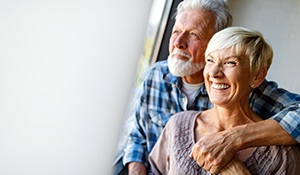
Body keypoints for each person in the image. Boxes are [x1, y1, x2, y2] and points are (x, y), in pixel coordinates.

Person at [114, 0, 300, 174]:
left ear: (217, 40)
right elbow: (137, 137)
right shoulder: (155, 77)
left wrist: (232, 139)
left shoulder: (252, 91)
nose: (178, 43)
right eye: (176, 32)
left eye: (194, 34)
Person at [148, 26, 300, 175]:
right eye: (210, 60)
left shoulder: (283, 156)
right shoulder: (177, 125)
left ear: (257, 76)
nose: (214, 73)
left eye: (230, 62)